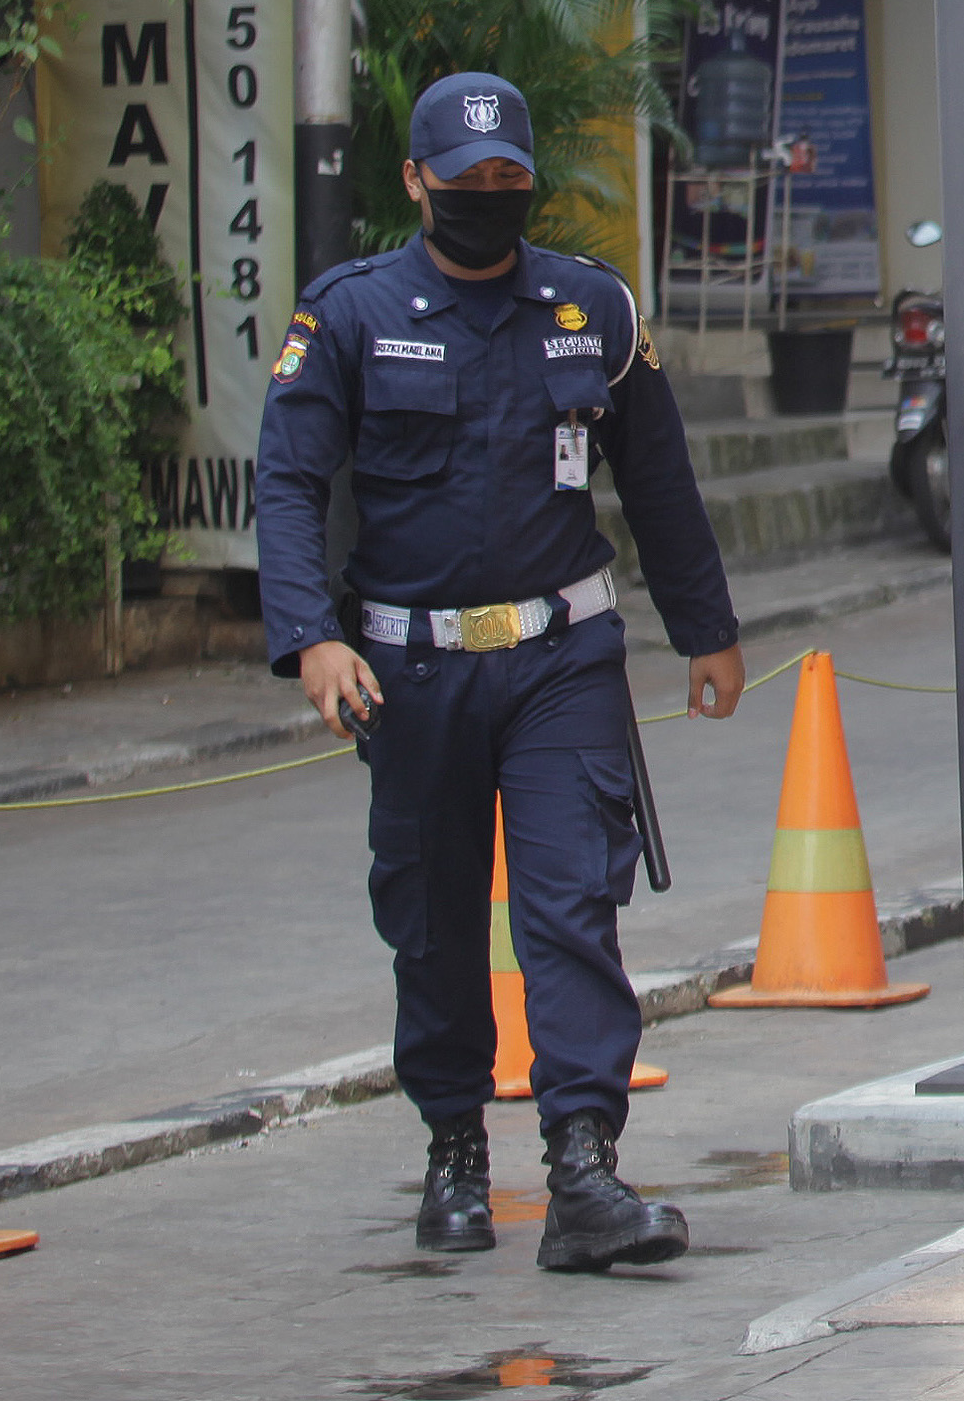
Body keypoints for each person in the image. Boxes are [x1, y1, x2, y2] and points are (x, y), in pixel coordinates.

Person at [254, 71, 745, 1272]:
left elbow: (661, 485)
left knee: (571, 906)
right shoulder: (353, 312)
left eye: (507, 180)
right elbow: (288, 480)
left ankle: (583, 1167)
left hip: (560, 656)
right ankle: (455, 1147)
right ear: (416, 181)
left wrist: (706, 629)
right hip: (409, 671)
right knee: (430, 923)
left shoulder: (590, 310)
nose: (488, 197)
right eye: (464, 181)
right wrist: (311, 635)